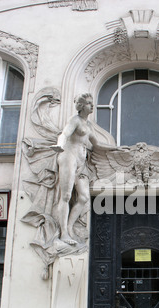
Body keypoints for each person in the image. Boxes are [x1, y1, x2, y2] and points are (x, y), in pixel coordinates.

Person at [51, 93, 100, 245]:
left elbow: (97, 144)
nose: (92, 106)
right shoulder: (75, 120)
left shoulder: (88, 125)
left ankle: (69, 227)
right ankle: (63, 233)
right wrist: (60, 144)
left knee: (84, 197)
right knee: (65, 195)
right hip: (68, 157)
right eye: (89, 103)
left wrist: (117, 150)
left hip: (81, 162)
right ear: (81, 106)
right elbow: (65, 133)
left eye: (92, 103)